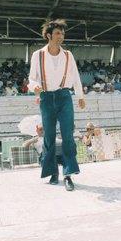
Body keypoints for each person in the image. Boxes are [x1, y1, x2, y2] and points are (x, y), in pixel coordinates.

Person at [28, 19, 85, 191]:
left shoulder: (68, 55)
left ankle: (68, 174)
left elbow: (75, 75)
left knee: (68, 135)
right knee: (49, 136)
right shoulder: (38, 55)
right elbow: (32, 78)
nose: (61, 36)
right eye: (58, 33)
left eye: (63, 33)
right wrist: (35, 87)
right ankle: (52, 172)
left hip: (64, 95)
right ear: (48, 35)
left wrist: (80, 95)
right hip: (45, 97)